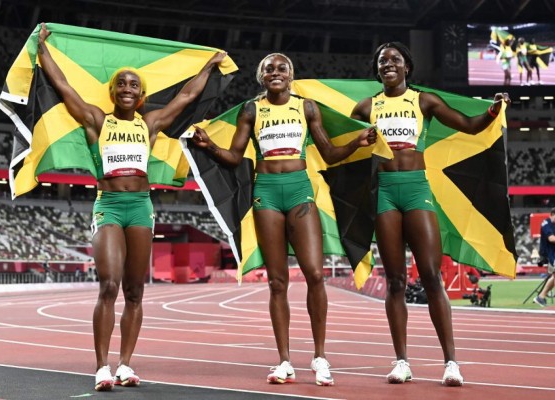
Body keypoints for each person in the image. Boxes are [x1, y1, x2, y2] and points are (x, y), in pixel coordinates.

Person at [37, 23, 225, 391]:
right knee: (109, 285)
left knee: (135, 291)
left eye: (133, 85)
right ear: (113, 91)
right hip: (108, 205)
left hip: (141, 206)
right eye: (121, 84)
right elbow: (63, 87)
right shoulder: (96, 119)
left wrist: (207, 67)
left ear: (141, 94)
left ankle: (125, 365)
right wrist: (42, 50)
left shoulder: (150, 123)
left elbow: (185, 98)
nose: (127, 89)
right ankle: (101, 367)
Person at [191, 53, 377, 386]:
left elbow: (329, 153)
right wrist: (208, 146)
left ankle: (320, 357)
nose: (275, 72)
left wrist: (356, 142)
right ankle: (284, 360)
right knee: (277, 282)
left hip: (299, 191)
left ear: (291, 76)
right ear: (261, 77)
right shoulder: (251, 110)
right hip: (266, 193)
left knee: (315, 273)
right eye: (268, 69)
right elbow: (235, 158)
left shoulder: (307, 108)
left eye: (282, 68)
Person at [350, 42, 510, 387]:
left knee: (432, 277)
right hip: (385, 194)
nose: (388, 65)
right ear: (377, 70)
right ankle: (402, 362)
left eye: (394, 60)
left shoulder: (425, 101)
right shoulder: (365, 107)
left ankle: (451, 362)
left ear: (407, 66)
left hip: (416, 190)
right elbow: (343, 146)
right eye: (382, 61)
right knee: (394, 282)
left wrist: (494, 111)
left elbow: (469, 125)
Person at [534, 208, 555, 306]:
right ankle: (541, 297)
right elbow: (551, 239)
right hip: (549, 254)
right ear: (552, 214)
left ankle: (541, 297)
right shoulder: (546, 224)